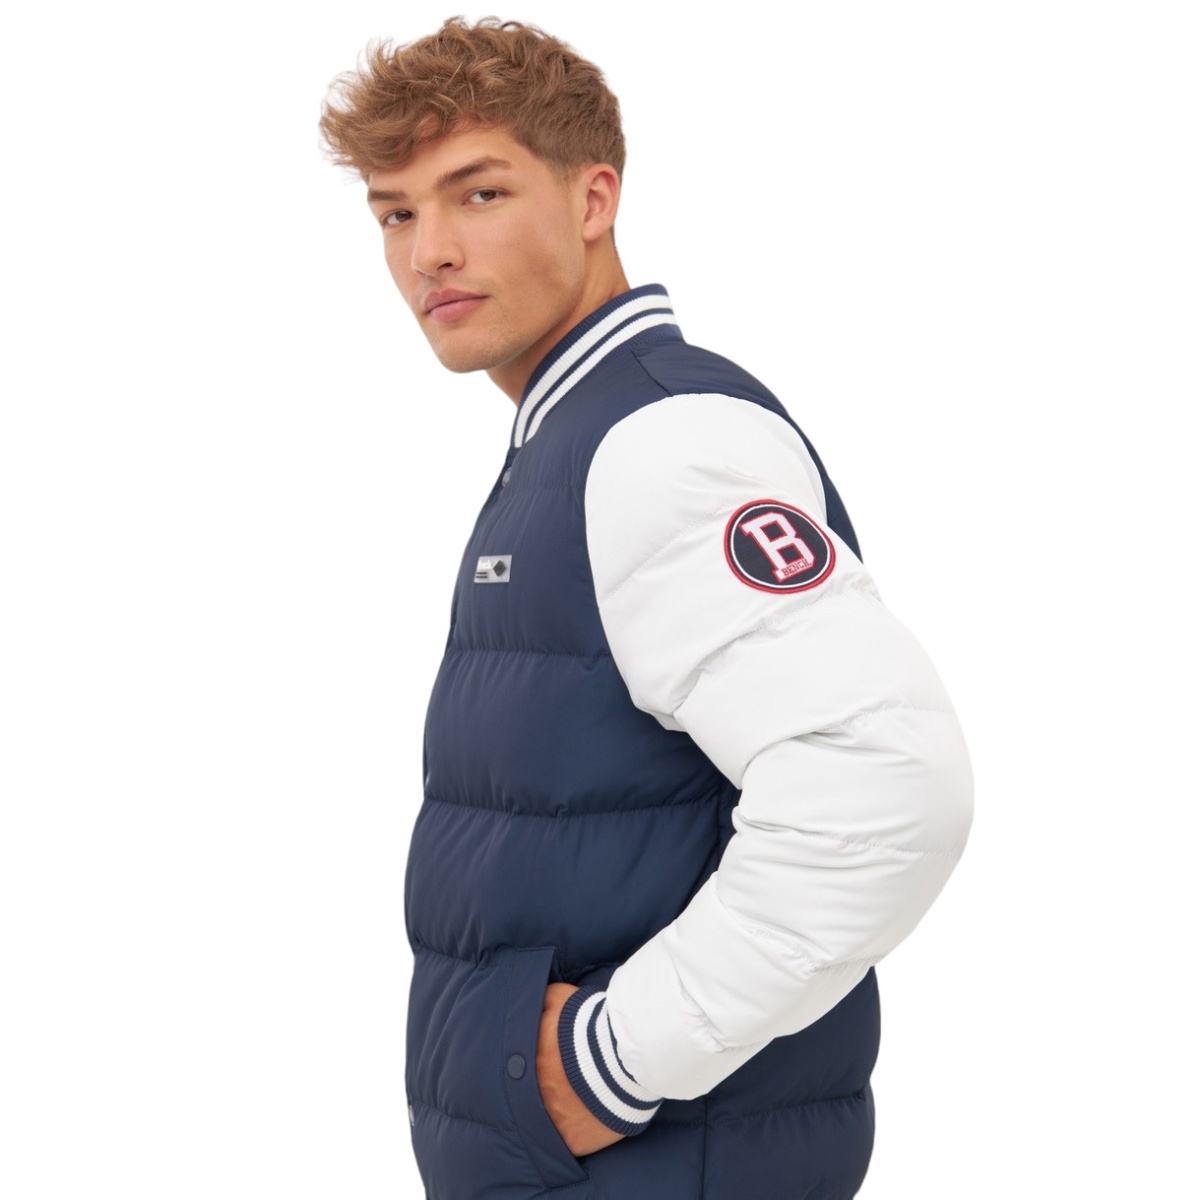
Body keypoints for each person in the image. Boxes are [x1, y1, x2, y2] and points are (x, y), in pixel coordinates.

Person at [320, 17, 973, 1200]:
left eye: (478, 194)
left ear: (593, 198)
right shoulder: (574, 439)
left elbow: (884, 784)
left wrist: (608, 1063)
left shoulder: (662, 445)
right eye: (396, 214)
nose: (430, 253)